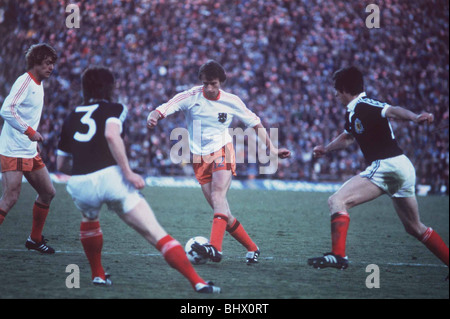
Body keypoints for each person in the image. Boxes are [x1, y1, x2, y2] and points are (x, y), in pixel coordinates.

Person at [56, 66, 220, 293]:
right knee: (155, 233)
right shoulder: (116, 108)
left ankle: (98, 276)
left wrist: (86, 168)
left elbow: (61, 165)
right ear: (110, 88)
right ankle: (198, 283)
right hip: (110, 178)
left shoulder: (71, 116)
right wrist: (128, 173)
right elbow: (111, 134)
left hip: (80, 183)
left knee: (89, 218)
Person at [308, 66, 449, 274]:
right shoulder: (353, 112)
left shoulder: (365, 105)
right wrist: (326, 149)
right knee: (413, 227)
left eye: (336, 90)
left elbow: (391, 110)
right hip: (401, 168)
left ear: (345, 89)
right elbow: (348, 137)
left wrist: (415, 116)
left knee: (336, 201)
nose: (335, 94)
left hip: (387, 165)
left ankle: (338, 255)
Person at [147, 60, 291, 264]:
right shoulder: (190, 96)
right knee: (221, 209)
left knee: (218, 195)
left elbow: (255, 123)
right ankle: (252, 248)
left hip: (223, 149)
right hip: (199, 158)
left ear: (221, 82)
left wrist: (273, 149)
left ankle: (215, 248)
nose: (209, 88)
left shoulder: (232, 101)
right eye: (205, 83)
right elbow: (163, 108)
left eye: (213, 83)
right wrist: (153, 117)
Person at [0, 43, 57, 254]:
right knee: (11, 197)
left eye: (52, 64)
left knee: (48, 192)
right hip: (13, 148)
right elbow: (6, 110)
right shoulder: (25, 82)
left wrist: (32, 141)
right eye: (47, 63)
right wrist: (29, 132)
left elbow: (26, 114)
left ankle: (34, 239)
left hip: (28, 149)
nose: (51, 68)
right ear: (35, 63)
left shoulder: (39, 83)